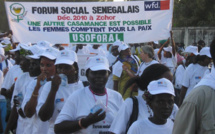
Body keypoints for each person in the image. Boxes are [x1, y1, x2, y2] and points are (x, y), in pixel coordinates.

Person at [54, 55, 124, 134]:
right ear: (87, 75)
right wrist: (85, 122)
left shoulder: (117, 97)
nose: (98, 76)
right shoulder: (77, 97)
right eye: (94, 73)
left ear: (108, 74)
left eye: (103, 72)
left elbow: (124, 124)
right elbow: (58, 128)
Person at [109, 64, 178, 134]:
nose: (169, 85)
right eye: (165, 81)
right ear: (151, 81)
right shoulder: (132, 104)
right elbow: (115, 131)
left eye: (171, 82)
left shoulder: (173, 108)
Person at [173, 39, 215, 134]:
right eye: (208, 58)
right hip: (191, 101)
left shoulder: (208, 70)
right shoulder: (191, 68)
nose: (209, 60)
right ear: (203, 57)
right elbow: (184, 87)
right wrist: (180, 104)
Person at [37, 49, 84, 134]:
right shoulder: (49, 86)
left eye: (67, 67)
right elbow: (43, 117)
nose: (62, 71)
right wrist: (53, 90)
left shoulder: (83, 87)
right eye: (59, 67)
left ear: (76, 68)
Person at [21, 47, 59, 134]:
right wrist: (37, 88)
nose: (44, 68)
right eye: (42, 65)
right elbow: (28, 113)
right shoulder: (33, 83)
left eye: (48, 65)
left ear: (57, 66)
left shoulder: (63, 85)